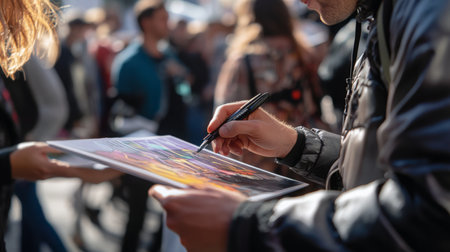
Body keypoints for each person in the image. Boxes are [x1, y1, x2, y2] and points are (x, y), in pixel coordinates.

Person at [149, 0, 450, 251]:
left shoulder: (427, 13)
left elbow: (428, 213)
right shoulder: (380, 16)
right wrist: (295, 144)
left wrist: (250, 225)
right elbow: (378, 164)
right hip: (310, 202)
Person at [0, 1, 121, 251]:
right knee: (34, 213)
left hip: (29, 144)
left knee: (30, 215)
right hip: (31, 140)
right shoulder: (40, 52)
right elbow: (57, 100)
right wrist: (13, 160)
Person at [214, 0, 329, 177]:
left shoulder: (243, 62)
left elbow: (225, 114)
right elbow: (314, 106)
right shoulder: (304, 55)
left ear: (247, 17)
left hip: (259, 168)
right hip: (305, 162)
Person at [111, 0, 190, 251]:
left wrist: (182, 77)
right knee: (137, 212)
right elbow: (119, 111)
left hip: (172, 143)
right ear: (146, 22)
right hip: (141, 146)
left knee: (171, 209)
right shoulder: (129, 62)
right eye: (162, 18)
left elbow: (186, 89)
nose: (167, 24)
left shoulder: (168, 56)